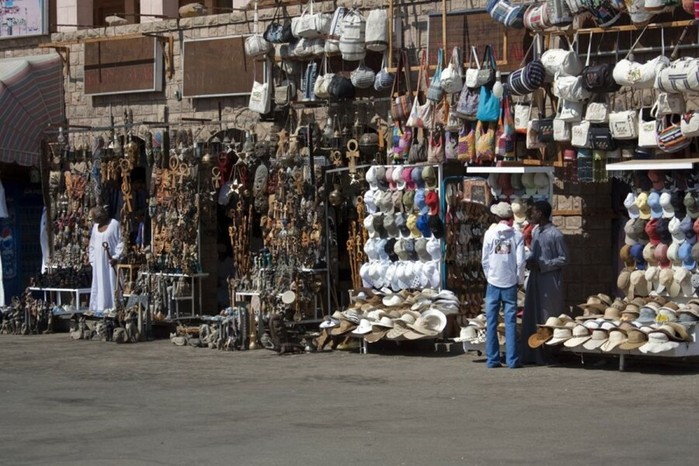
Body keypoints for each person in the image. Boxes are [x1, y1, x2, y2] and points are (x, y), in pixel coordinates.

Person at [521, 200, 569, 365]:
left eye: (533, 211)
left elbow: (564, 259)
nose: (531, 215)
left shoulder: (556, 234)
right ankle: (533, 352)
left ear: (540, 213)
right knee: (533, 313)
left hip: (550, 280)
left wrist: (544, 264)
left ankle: (550, 353)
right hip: (536, 278)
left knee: (548, 316)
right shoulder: (536, 232)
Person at [481, 202, 525, 369]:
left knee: (491, 321)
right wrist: (519, 280)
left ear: (497, 217)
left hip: (493, 281)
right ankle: (512, 359)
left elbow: (484, 260)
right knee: (511, 322)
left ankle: (492, 359)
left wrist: (489, 276)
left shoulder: (490, 234)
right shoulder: (517, 235)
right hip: (510, 282)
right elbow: (520, 262)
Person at [88, 206, 124, 312]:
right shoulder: (95, 227)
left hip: (110, 262)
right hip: (98, 263)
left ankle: (113, 307)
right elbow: (92, 245)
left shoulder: (114, 224)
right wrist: (93, 261)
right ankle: (99, 308)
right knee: (99, 284)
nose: (97, 222)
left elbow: (120, 242)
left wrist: (116, 257)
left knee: (111, 283)